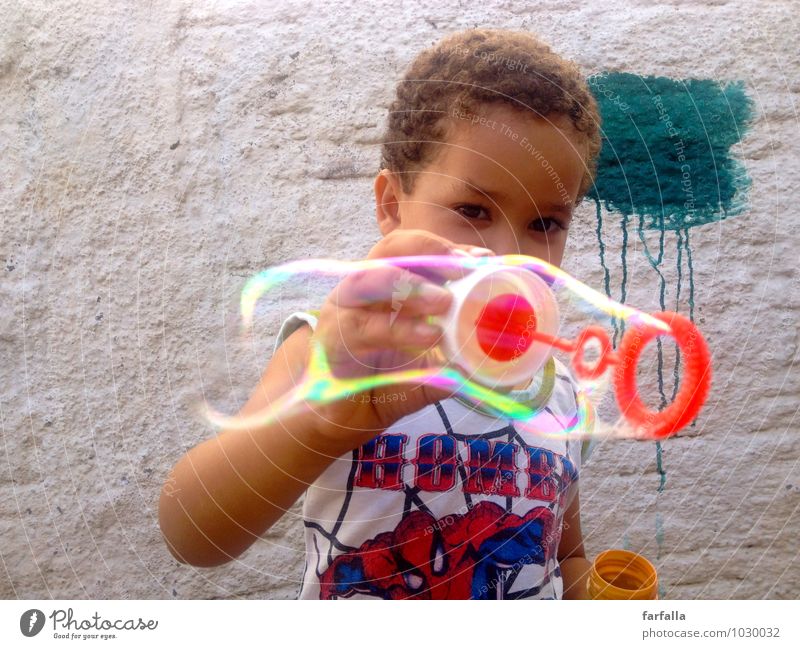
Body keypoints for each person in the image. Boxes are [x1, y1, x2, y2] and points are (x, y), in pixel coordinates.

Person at [158, 27, 602, 599]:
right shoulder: (338, 353)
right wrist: (319, 425)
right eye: (472, 208)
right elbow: (192, 535)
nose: (508, 254)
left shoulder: (561, 394)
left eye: (546, 223)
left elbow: (565, 553)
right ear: (393, 207)